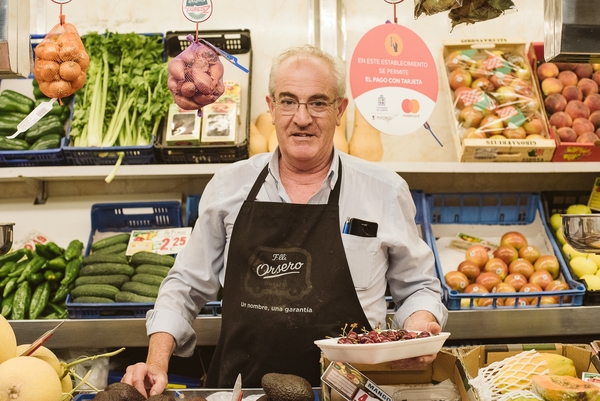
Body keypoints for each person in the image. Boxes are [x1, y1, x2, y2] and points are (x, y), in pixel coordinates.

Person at [122, 44, 448, 396]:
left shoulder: (383, 190)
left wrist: (418, 327)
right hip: (242, 390)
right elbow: (185, 284)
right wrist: (156, 362)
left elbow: (417, 287)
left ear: (340, 111)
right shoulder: (229, 185)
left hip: (348, 391)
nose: (302, 118)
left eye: (318, 102)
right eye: (288, 101)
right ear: (271, 107)